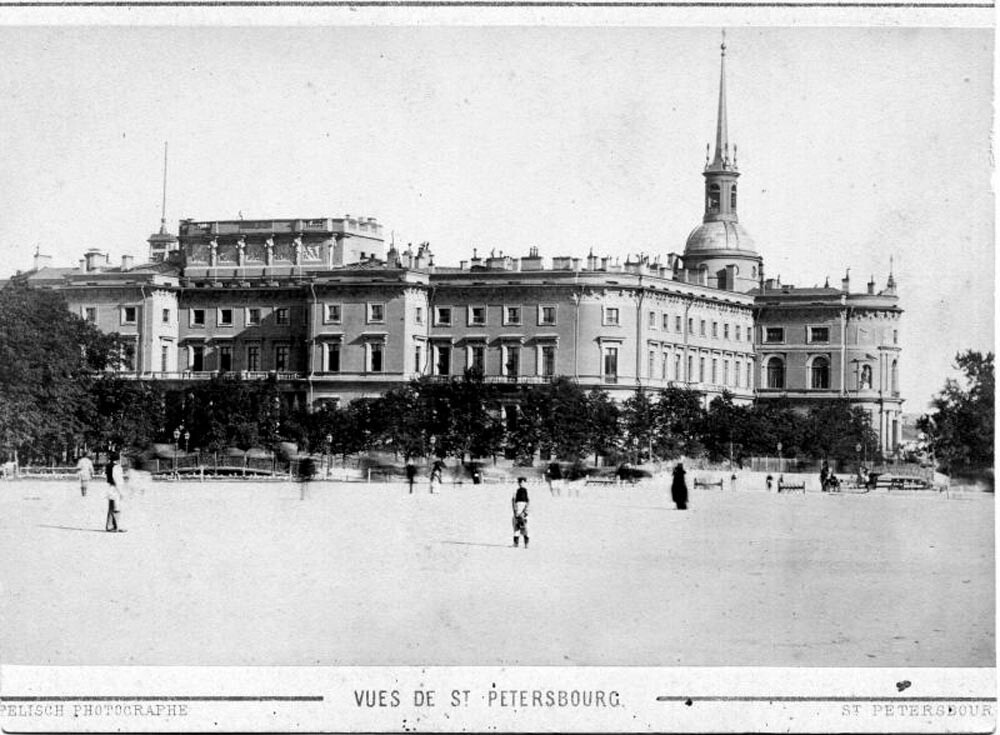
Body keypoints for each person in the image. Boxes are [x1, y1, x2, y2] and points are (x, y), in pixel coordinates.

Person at [105, 455, 124, 532]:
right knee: (116, 508)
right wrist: (121, 491)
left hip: (110, 487)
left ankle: (110, 526)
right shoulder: (116, 467)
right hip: (116, 488)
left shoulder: (108, 466)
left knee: (111, 508)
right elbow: (117, 479)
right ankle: (116, 526)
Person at [511, 476, 530, 548]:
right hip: (517, 510)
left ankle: (526, 544)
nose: (521, 483)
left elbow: (529, 503)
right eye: (520, 482)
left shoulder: (527, 492)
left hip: (524, 511)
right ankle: (516, 543)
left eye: (523, 482)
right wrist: (515, 512)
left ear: (525, 483)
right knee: (516, 527)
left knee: (526, 527)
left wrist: (524, 512)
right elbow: (513, 502)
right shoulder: (515, 491)